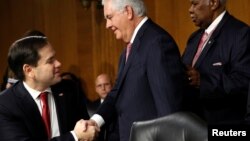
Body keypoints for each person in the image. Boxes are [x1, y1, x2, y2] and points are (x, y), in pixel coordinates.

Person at [87, 0, 185, 141]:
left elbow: (168, 111)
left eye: (109, 17)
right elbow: (116, 93)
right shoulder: (126, 52)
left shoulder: (157, 43)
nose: (107, 25)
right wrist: (95, 121)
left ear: (128, 11)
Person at [0, 30, 98, 141]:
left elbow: (87, 132)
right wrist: (74, 136)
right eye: (50, 61)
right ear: (29, 70)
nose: (58, 63)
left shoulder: (69, 89)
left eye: (55, 58)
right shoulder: (5, 104)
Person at [182, 0, 250, 124]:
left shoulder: (241, 34)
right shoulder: (194, 38)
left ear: (214, 3)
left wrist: (202, 81)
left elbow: (243, 82)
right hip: (192, 127)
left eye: (195, 4)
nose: (190, 10)